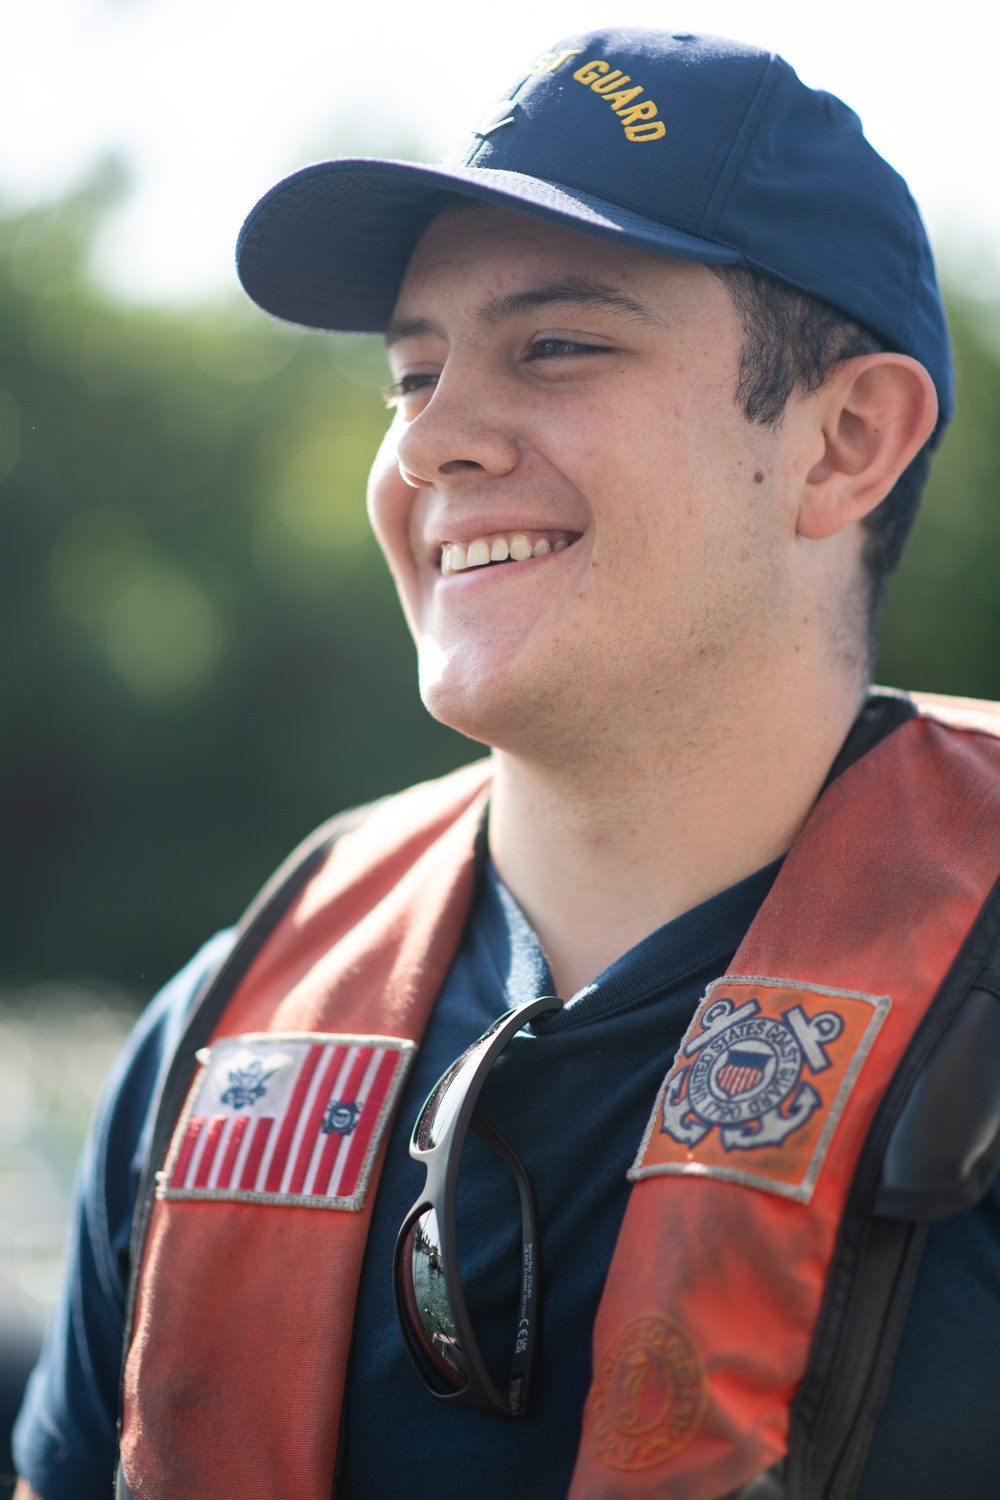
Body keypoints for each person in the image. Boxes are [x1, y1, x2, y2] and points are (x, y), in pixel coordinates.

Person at [13, 26, 1000, 1500]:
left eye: (558, 345)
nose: (433, 445)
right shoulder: (210, 1043)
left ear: (845, 440)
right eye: (410, 377)